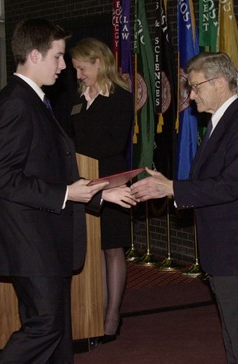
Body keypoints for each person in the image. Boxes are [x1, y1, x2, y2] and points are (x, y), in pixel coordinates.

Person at [0, 19, 136, 364]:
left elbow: (53, 169)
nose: (64, 66)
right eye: (58, 57)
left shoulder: (34, 100)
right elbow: (3, 178)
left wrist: (100, 194)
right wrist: (68, 194)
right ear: (35, 55)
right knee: (45, 327)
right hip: (32, 240)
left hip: (45, 237)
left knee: (58, 333)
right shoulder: (16, 104)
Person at [131, 52, 238, 364]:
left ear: (220, 83)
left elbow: (230, 186)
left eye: (195, 87)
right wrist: (171, 184)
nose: (191, 95)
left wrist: (172, 188)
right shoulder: (221, 123)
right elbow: (213, 181)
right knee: (237, 338)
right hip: (228, 251)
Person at [69, 38, 134, 343]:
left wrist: (82, 154)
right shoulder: (77, 96)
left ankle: (112, 316)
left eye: (81, 68)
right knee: (89, 249)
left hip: (111, 178)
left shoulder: (119, 95)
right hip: (82, 181)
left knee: (111, 246)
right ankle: (92, 313)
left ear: (98, 62)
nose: (78, 75)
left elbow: (115, 142)